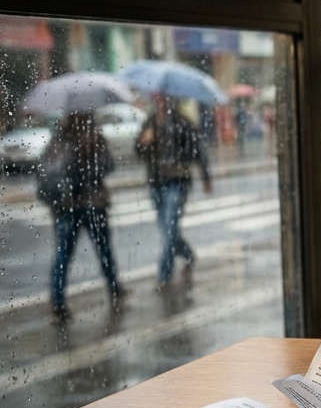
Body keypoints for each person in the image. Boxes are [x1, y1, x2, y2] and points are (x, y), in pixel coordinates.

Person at [39, 112, 123, 322]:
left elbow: (108, 166)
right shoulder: (63, 140)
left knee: (93, 251)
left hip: (81, 206)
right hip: (79, 205)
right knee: (72, 254)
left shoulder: (67, 139)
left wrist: (91, 150)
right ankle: (60, 302)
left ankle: (113, 289)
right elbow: (51, 172)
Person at [136, 94, 212, 287]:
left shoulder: (183, 122)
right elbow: (137, 151)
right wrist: (144, 142)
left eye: (164, 99)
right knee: (167, 230)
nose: (161, 102)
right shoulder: (150, 122)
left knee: (170, 228)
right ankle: (187, 254)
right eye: (158, 99)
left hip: (177, 181)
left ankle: (164, 274)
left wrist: (205, 176)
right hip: (156, 182)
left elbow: (198, 150)